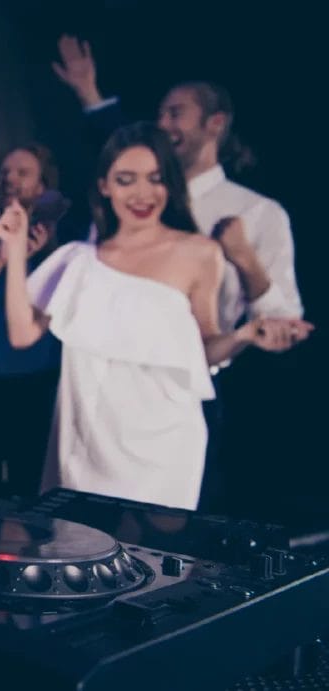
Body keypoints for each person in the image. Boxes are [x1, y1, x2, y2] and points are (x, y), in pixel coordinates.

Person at [0, 122, 313, 511]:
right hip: (86, 439)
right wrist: (14, 250)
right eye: (126, 180)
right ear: (104, 186)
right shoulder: (80, 261)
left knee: (157, 545)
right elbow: (22, 333)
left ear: (170, 185)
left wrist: (244, 335)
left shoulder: (199, 253)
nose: (142, 193)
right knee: (78, 539)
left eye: (155, 179)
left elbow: (205, 350)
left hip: (166, 441)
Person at [53, 36, 311, 509]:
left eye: (176, 113)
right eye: (161, 114)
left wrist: (244, 259)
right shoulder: (129, 205)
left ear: (215, 123)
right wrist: (89, 93)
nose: (163, 123)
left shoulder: (258, 212)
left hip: (197, 388)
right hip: (101, 390)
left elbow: (283, 316)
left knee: (175, 530)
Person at [0, 144, 64, 497]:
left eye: (22, 173)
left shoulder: (56, 243)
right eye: (4, 171)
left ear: (42, 186)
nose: (9, 179)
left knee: (29, 483)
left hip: (36, 378)